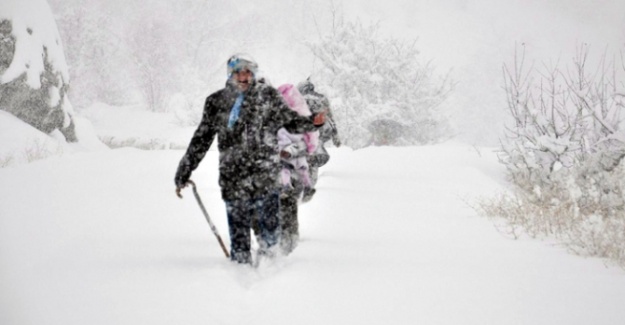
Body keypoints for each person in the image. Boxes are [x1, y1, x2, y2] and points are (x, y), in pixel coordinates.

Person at [175, 54, 325, 265]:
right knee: (239, 243)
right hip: (233, 180)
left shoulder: (268, 97)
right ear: (231, 73)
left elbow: (290, 122)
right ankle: (241, 278)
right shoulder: (216, 102)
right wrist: (184, 170)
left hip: (265, 178)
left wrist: (312, 122)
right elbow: (201, 140)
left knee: (270, 239)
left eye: (248, 72)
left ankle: (271, 278)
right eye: (239, 72)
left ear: (253, 74)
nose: (244, 77)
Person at [275, 84, 320, 254]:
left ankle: (285, 239)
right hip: (296, 161)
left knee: (283, 201)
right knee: (289, 202)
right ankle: (290, 238)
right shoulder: (301, 110)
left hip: (279, 163)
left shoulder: (277, 112)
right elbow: (311, 138)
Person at [297, 78, 341, 202]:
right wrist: (335, 136)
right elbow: (330, 117)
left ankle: (305, 189)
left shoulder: (297, 100)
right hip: (319, 133)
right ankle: (311, 185)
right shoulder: (321, 98)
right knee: (313, 160)